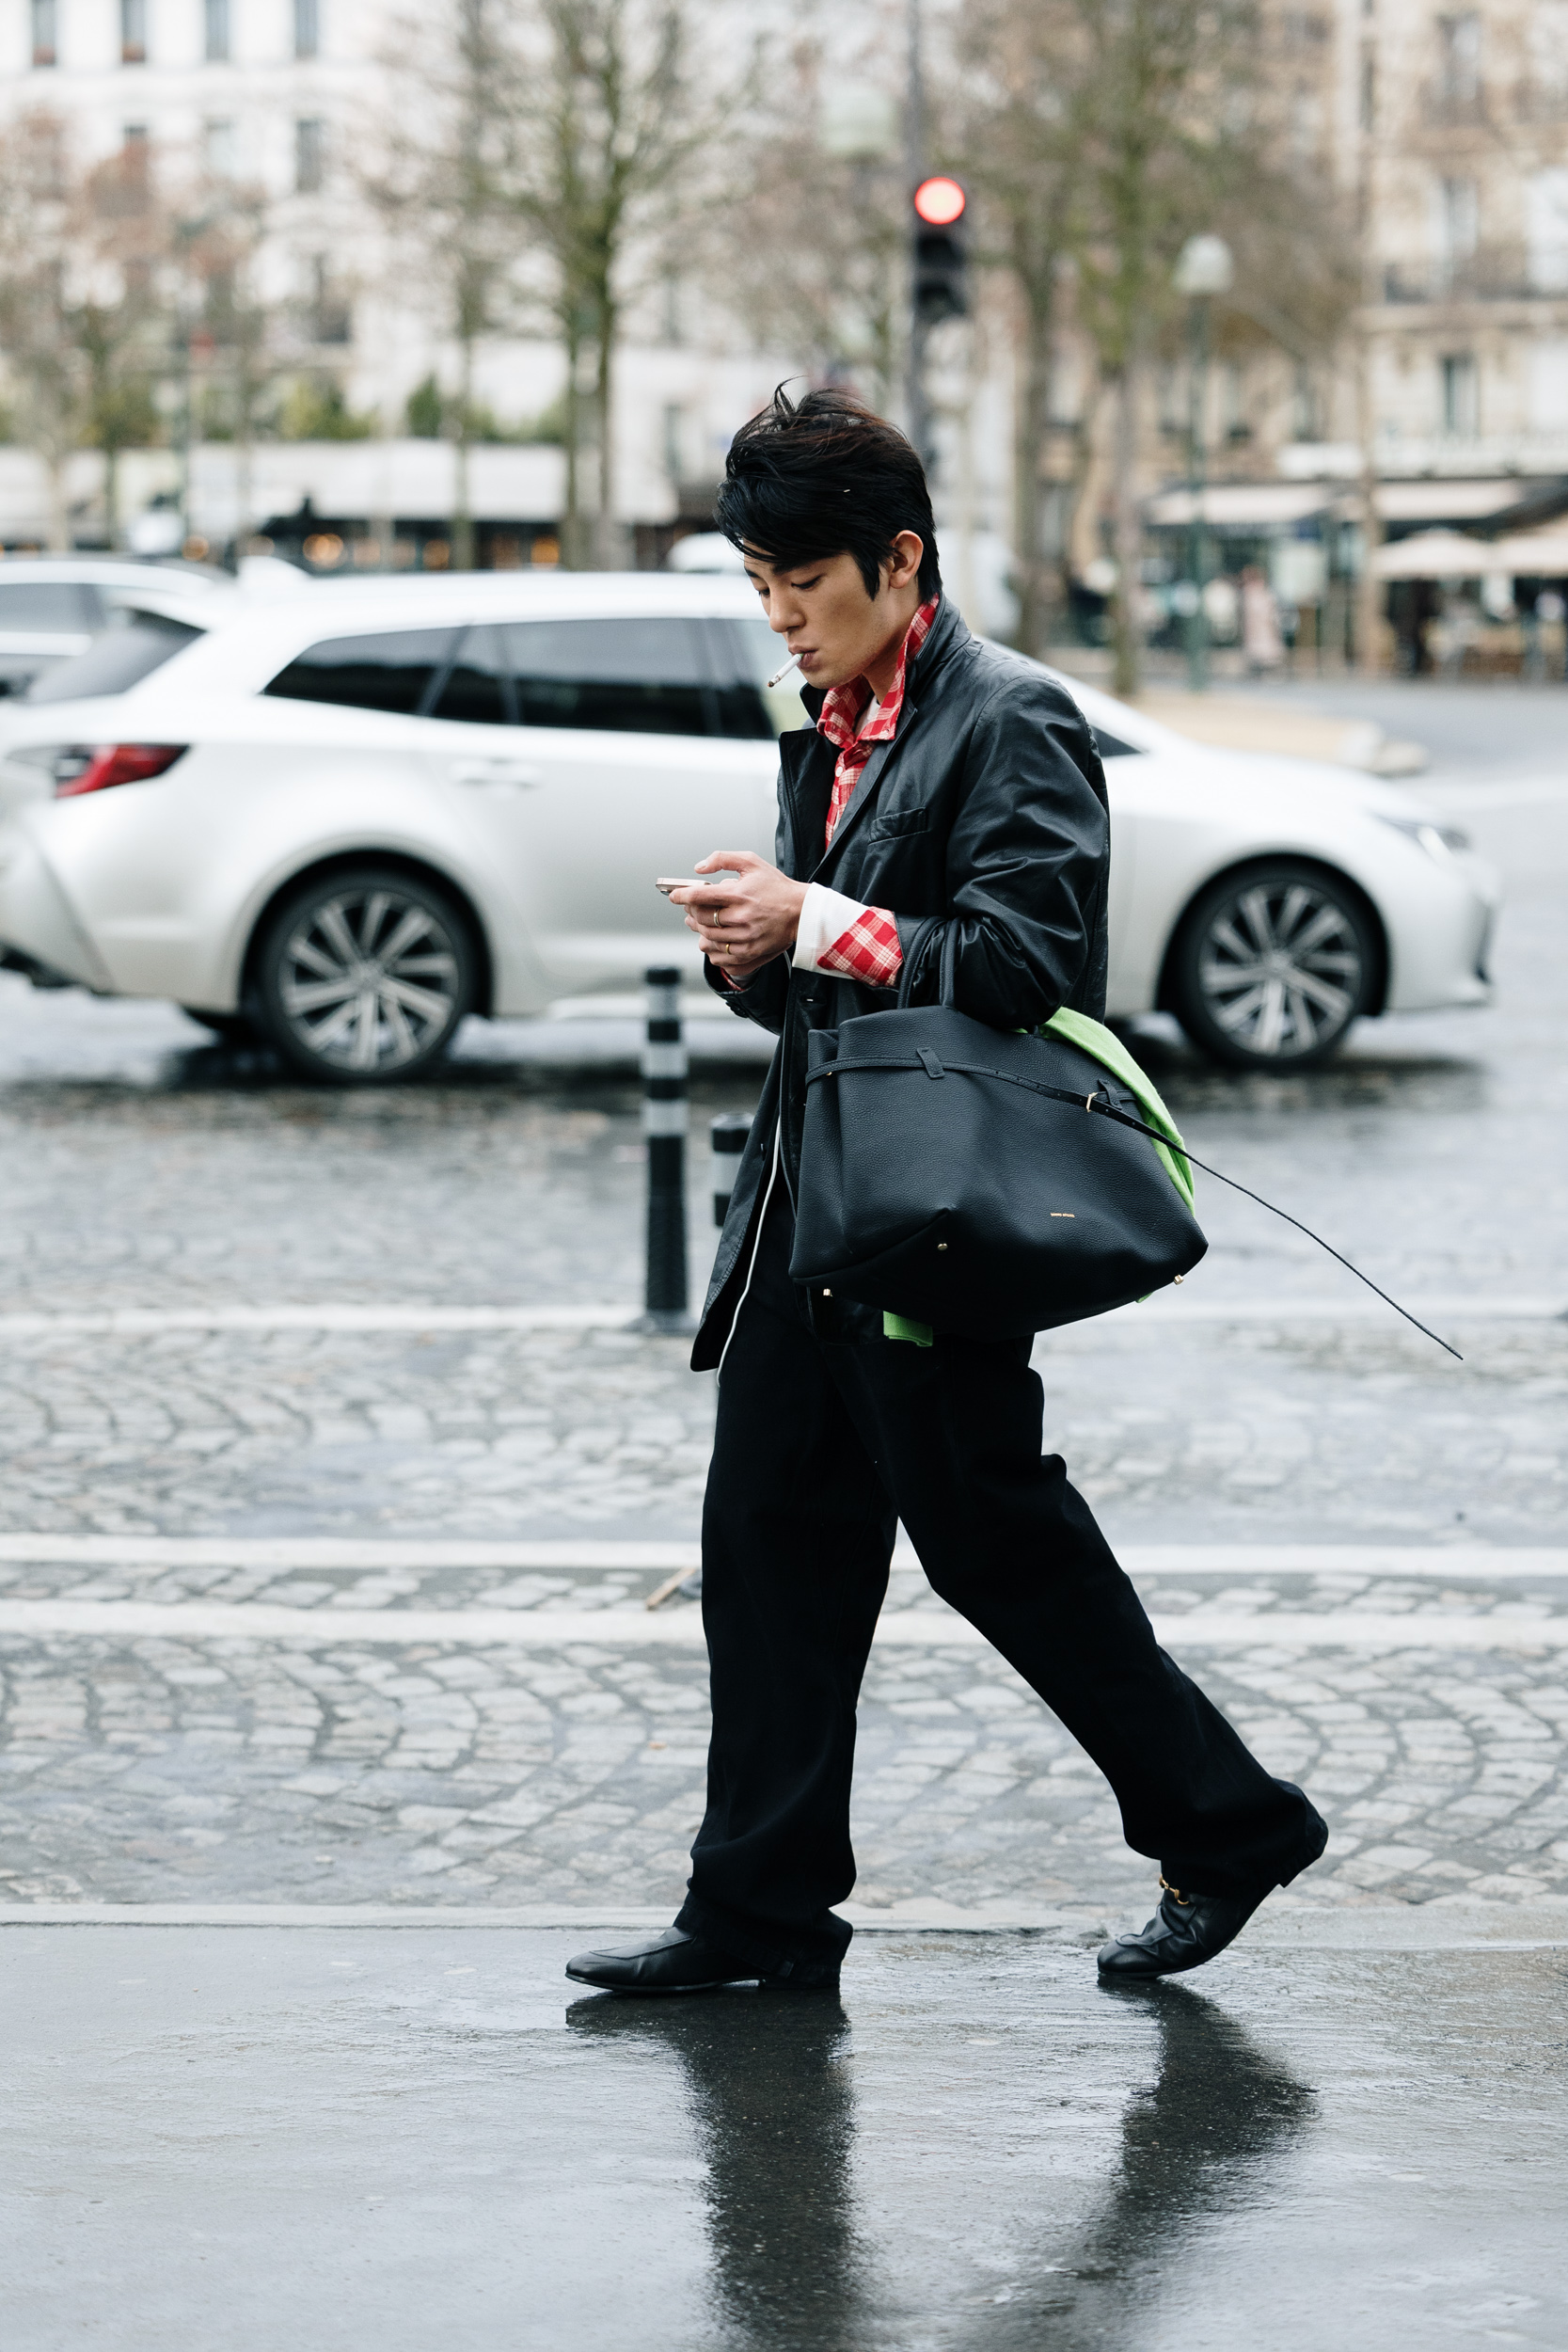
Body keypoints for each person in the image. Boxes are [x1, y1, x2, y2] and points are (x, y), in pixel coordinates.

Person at [566, 388, 1325, 1999]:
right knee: (771, 1539)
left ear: (901, 561)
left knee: (995, 1542)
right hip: (813, 1209)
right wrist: (750, 954)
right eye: (758, 583)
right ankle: (757, 1913)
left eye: (804, 583)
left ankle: (1232, 1819)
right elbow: (818, 1001)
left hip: (932, 1220)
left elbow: (1035, 964)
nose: (781, 616)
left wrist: (817, 920)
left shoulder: (1012, 721)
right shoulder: (826, 736)